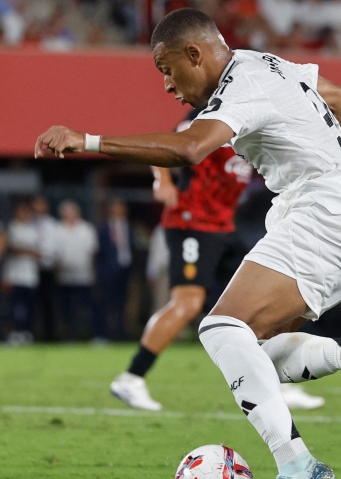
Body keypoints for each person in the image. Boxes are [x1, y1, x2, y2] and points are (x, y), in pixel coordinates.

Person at [36, 7, 341, 479]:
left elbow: (190, 149)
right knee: (250, 349)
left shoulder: (242, 84)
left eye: (167, 69)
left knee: (219, 328)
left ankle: (296, 465)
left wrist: (87, 141)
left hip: (327, 215)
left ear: (195, 54)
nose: (167, 85)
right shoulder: (267, 63)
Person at [110, 107, 325, 413]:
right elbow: (165, 144)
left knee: (268, 299)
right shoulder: (209, 117)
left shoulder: (252, 126)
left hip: (224, 226)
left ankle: (279, 383)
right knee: (187, 303)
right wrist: (163, 180)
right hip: (191, 223)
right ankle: (131, 378)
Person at [52, 200, 98, 342]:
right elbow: (54, 252)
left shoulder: (87, 229)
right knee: (66, 309)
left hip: (84, 277)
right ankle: (68, 336)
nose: (69, 216)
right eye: (66, 214)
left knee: (85, 308)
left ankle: (88, 335)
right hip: (64, 277)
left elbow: (93, 251)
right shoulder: (58, 229)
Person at [96, 199, 134, 342]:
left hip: (126, 269)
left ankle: (122, 333)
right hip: (108, 271)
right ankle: (105, 334)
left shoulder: (129, 227)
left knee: (123, 302)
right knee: (107, 302)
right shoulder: (103, 229)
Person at [2, 201, 39, 344]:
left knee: (29, 306)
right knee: (14, 307)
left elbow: (38, 252)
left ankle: (26, 332)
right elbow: (11, 250)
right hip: (14, 274)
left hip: (30, 275)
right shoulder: (11, 228)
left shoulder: (33, 229)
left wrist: (25, 251)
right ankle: (14, 332)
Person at [32, 195, 59, 341]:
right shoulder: (29, 223)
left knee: (48, 303)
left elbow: (55, 247)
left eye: (41, 204)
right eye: (36, 205)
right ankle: (30, 333)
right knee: (30, 303)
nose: (38, 208)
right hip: (30, 269)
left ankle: (49, 335)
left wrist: (46, 257)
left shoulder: (52, 225)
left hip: (47, 268)